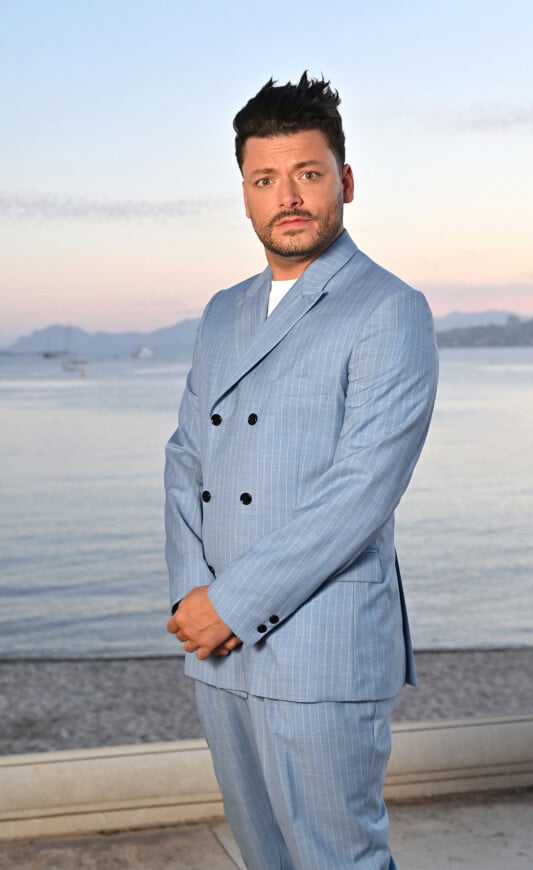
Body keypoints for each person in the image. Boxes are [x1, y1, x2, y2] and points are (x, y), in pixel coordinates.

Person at [165, 72, 438, 870]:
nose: (288, 196)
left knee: (336, 859)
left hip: (322, 644)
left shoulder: (389, 309)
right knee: (265, 859)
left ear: (344, 182)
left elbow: (361, 491)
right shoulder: (222, 312)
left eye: (308, 174)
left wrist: (230, 602)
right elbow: (185, 455)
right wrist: (191, 592)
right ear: (245, 194)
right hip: (218, 645)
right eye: (265, 179)